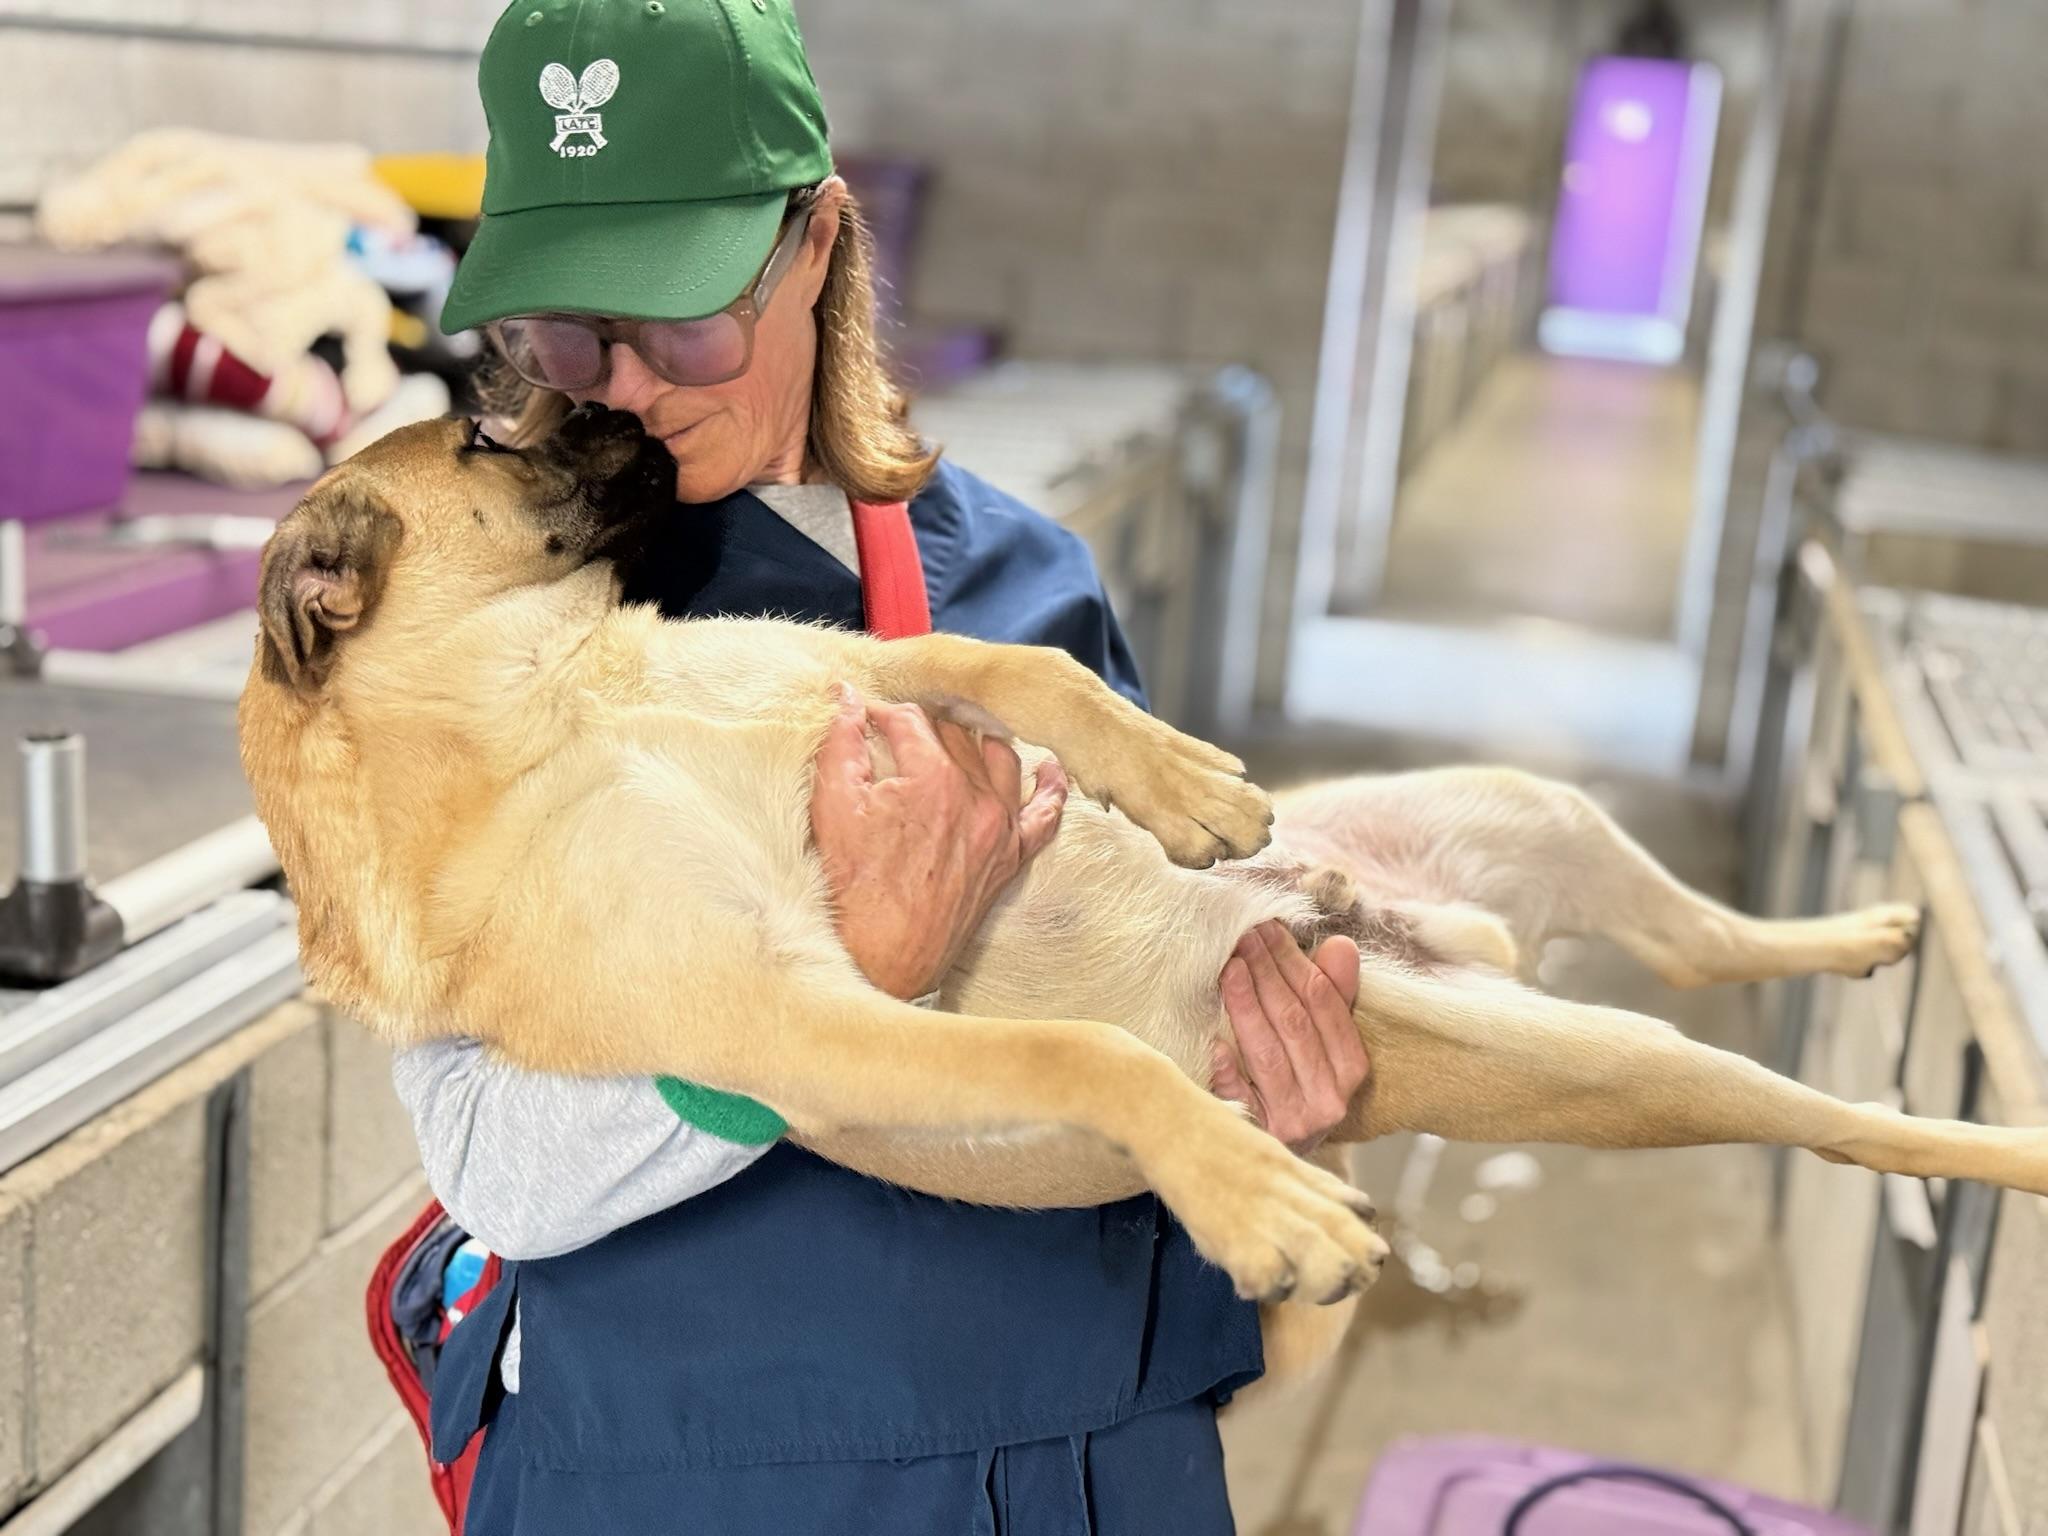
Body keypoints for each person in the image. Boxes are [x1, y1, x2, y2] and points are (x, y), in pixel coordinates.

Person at [399, 2, 1368, 1530]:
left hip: (1080, 1460)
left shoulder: (1030, 591)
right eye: (566, 332)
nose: (629, 385)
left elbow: (1169, 1021)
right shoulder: (486, 634)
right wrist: (842, 977)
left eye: (681, 315)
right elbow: (489, 1165)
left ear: (819, 245)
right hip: (680, 1474)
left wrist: (1270, 1084)